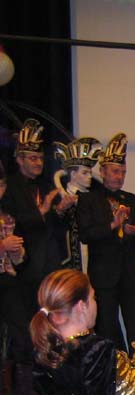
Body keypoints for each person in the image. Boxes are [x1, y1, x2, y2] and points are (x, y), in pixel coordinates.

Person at [77, 133, 135, 353]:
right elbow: (85, 234)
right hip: (103, 275)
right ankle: (113, 368)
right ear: (102, 172)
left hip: (132, 274)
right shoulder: (89, 200)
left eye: (123, 172)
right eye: (115, 171)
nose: (119, 177)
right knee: (106, 327)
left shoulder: (133, 200)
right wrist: (113, 225)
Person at [5, 119, 75, 311]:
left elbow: (58, 227)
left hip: (50, 263)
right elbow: (11, 223)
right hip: (24, 265)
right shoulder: (9, 188)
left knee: (53, 315)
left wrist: (60, 210)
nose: (39, 163)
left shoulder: (46, 186)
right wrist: (41, 211)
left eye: (41, 158)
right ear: (20, 160)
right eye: (33, 158)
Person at [0, 160, 31, 395]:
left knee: (22, 330)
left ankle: (24, 389)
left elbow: (20, 259)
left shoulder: (8, 215)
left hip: (8, 279)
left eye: (1, 186)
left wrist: (17, 251)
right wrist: (3, 245)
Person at [52, 136, 102, 272]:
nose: (89, 176)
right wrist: (60, 209)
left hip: (94, 257)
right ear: (73, 174)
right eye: (85, 173)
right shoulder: (57, 197)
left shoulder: (96, 198)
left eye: (90, 172)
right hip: (67, 257)